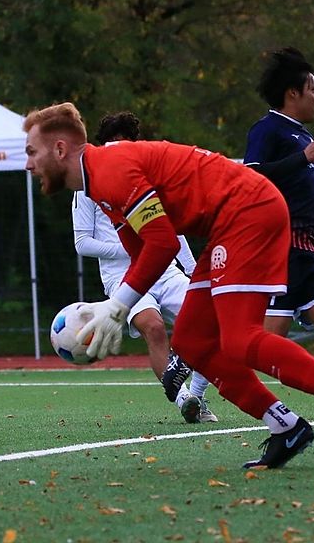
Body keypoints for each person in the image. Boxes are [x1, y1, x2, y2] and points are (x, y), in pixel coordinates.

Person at [23, 102, 314, 469]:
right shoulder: (98, 182)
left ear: (60, 149)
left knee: (239, 338)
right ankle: (285, 426)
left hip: (248, 211)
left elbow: (162, 244)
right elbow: (142, 248)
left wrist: (116, 308)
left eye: (31, 152)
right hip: (231, 220)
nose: (28, 164)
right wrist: (119, 302)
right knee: (191, 343)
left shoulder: (110, 169)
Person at [72, 111, 218, 423]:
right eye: (114, 146)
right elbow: (82, 242)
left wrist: (191, 269)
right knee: (153, 328)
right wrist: (131, 250)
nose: (119, 154)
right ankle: (182, 401)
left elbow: (171, 228)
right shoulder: (86, 184)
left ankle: (198, 397)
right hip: (122, 276)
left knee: (210, 324)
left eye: (126, 146)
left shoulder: (143, 173)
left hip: (165, 269)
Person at [243, 47, 314, 429]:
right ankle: (203, 370)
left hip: (306, 244)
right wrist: (303, 157)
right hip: (276, 248)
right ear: (293, 93)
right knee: (263, 341)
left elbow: (291, 188)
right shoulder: (267, 129)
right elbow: (253, 177)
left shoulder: (300, 134)